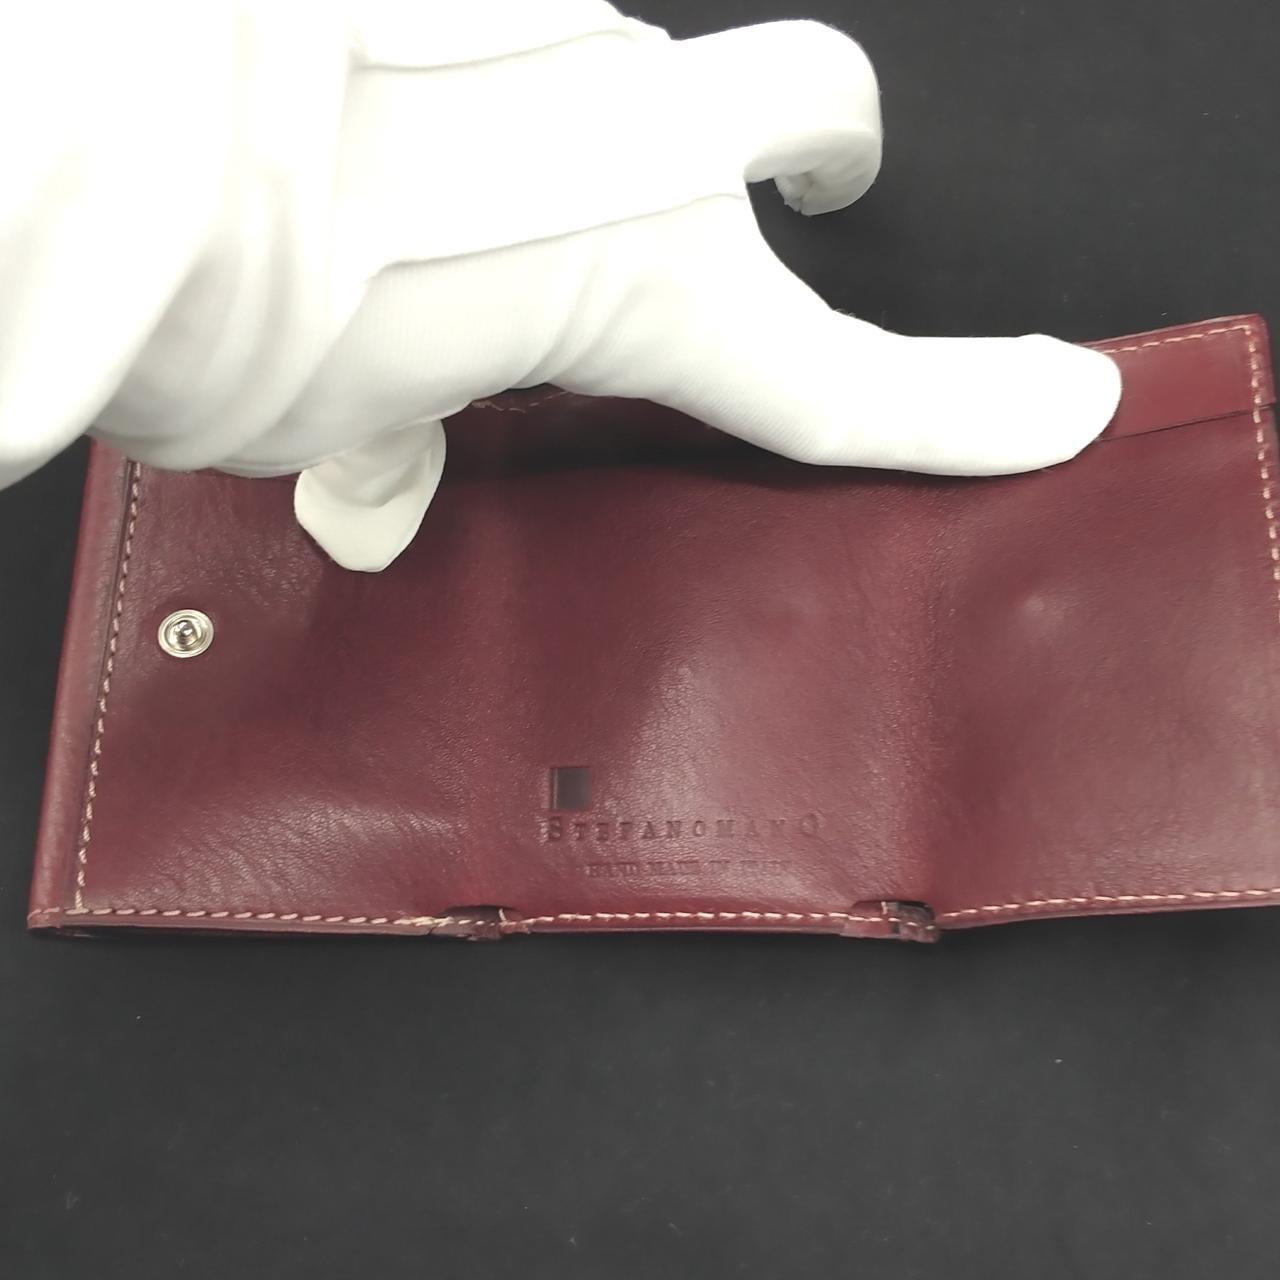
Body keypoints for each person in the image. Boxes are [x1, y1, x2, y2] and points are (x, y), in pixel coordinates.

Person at [0, 0, 1121, 571]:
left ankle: (365, 441)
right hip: (216, 353)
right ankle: (365, 441)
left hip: (247, 339)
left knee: (816, 362)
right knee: (348, 404)